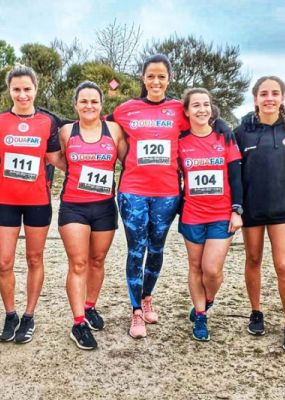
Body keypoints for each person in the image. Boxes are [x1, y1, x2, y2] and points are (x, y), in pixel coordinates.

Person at [0, 64, 64, 344]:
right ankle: (10, 314)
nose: (22, 95)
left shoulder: (47, 122)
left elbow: (55, 158)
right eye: (16, 89)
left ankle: (29, 315)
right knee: (4, 262)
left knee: (34, 259)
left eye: (27, 89)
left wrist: (87, 171)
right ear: (9, 90)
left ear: (36, 89)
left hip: (38, 202)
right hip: (6, 202)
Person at [107, 54, 191, 338]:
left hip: (167, 193)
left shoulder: (179, 109)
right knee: (136, 249)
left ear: (169, 79)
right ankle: (135, 312)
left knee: (156, 249)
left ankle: (147, 298)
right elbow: (101, 128)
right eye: (151, 76)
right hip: (133, 191)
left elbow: (204, 127)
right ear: (143, 78)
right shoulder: (126, 109)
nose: (156, 81)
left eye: (161, 76)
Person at [59, 81, 126, 350]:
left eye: (94, 101)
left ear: (101, 104)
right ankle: (78, 323)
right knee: (78, 263)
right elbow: (57, 158)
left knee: (97, 260)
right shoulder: (66, 131)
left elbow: (128, 162)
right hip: (74, 206)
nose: (89, 106)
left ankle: (89, 307)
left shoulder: (114, 130)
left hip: (104, 207)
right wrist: (75, 172)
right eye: (83, 101)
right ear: (75, 105)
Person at [178, 88, 243, 341]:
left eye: (206, 104)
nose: (202, 109)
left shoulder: (224, 137)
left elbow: (236, 177)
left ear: (211, 108)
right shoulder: (180, 141)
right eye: (195, 105)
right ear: (186, 111)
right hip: (192, 215)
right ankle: (201, 316)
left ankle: (209, 298)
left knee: (212, 270)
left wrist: (237, 210)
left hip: (221, 214)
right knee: (195, 267)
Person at [234, 76, 285, 350]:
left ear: (282, 98)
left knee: (284, 266)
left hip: (283, 210)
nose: (269, 98)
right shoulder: (242, 131)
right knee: (253, 259)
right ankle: (256, 312)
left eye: (275, 93)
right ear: (255, 98)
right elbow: (233, 172)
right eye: (264, 93)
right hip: (252, 209)